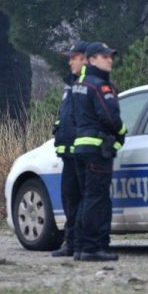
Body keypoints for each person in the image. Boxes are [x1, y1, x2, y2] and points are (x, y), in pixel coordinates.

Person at [72, 42, 126, 261]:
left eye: (110, 56)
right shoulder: (100, 86)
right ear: (92, 60)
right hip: (97, 150)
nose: (110, 60)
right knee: (97, 199)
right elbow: (110, 117)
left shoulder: (79, 84)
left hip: (82, 148)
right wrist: (123, 132)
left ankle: (80, 246)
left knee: (86, 198)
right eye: (104, 57)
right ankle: (93, 248)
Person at [51, 41, 88, 257]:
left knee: (82, 200)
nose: (69, 61)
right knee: (69, 198)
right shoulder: (70, 84)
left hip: (81, 153)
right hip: (67, 153)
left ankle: (81, 243)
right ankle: (71, 243)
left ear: (84, 59)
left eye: (73, 57)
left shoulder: (87, 85)